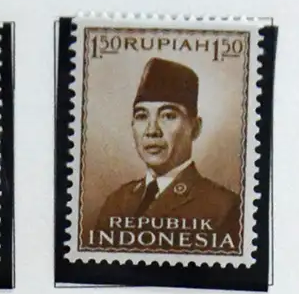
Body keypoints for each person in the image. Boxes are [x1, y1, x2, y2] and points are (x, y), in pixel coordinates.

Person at [90, 58, 241, 248]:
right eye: (142, 116)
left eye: (168, 116)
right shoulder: (117, 201)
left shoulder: (224, 208)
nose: (152, 130)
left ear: (195, 128)